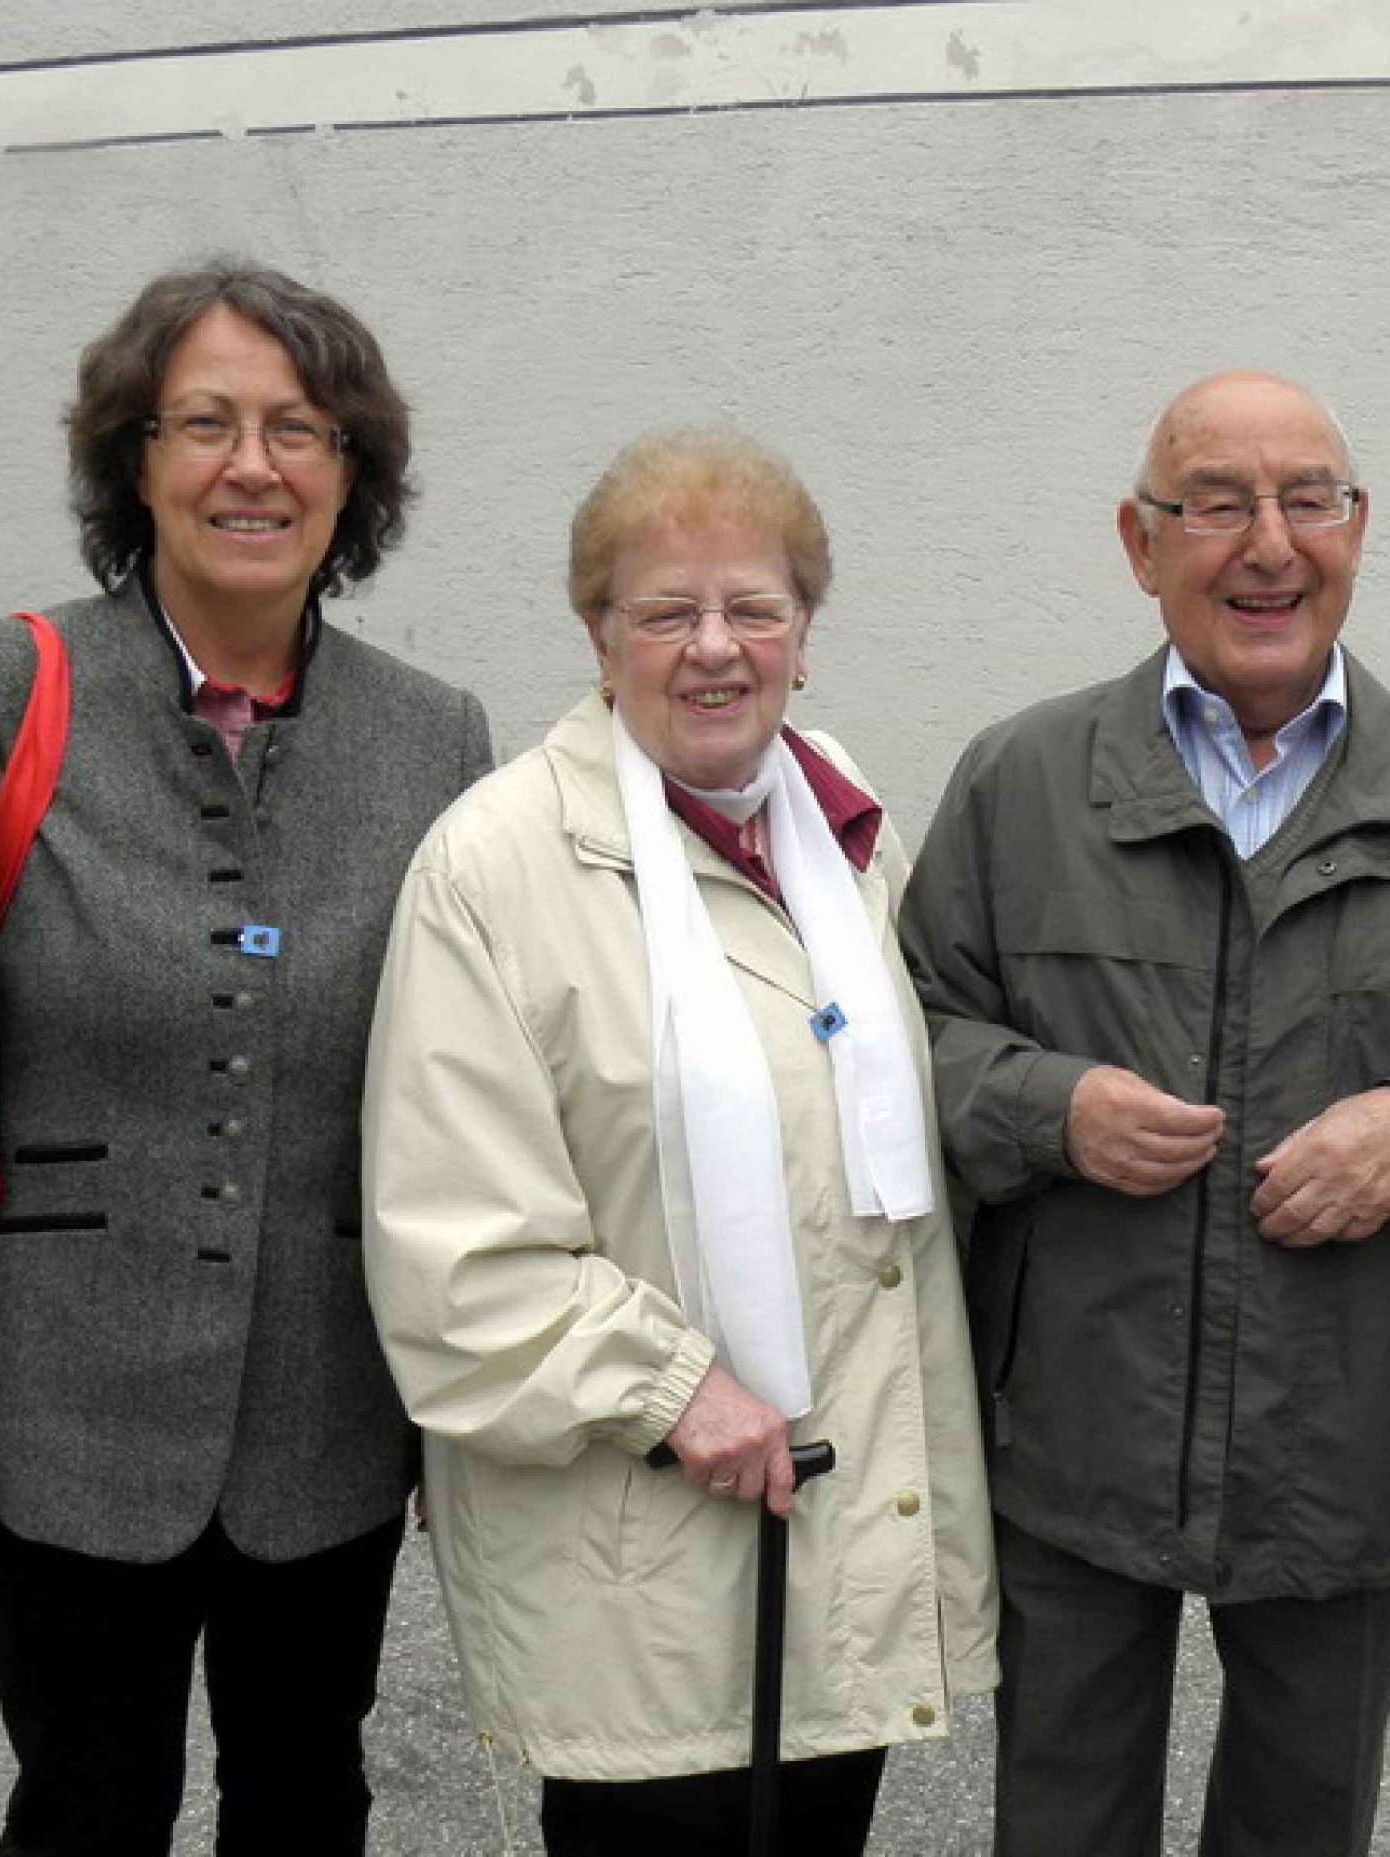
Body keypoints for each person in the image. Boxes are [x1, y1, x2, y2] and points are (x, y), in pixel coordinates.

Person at [0, 259, 494, 1853]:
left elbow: (468, 1084)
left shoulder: (436, 734)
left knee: (308, 1798)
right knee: (87, 1804)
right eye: (205, 423)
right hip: (63, 1407)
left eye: (299, 428)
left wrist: (467, 1401)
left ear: (353, 475)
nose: (254, 466)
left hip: (331, 1412)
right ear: (136, 460)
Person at [900, 370, 1390, 1855]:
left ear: (1358, 528)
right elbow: (912, 1040)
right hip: (1076, 1422)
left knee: (1302, 1823)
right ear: (1140, 543)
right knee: (1062, 1824)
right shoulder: (1023, 784)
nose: (1270, 544)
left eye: (1307, 501)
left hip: (1347, 1433)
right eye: (1216, 504)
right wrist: (1048, 1105)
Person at [361, 429, 998, 1855]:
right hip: (636, 1542)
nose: (716, 647)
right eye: (667, 612)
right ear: (599, 637)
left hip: (838, 1530)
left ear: (804, 635)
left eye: (754, 607)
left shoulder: (840, 824)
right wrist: (671, 1384)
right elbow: (457, 1256)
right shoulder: (492, 867)